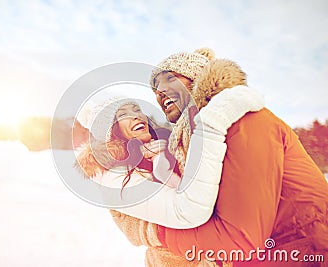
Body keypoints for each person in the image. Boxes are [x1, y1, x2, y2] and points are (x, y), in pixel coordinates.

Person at [112, 48, 328, 266]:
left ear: (197, 77)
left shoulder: (244, 121)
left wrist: (155, 233)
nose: (160, 92)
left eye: (170, 78)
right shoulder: (194, 141)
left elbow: (240, 238)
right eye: (155, 89)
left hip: (305, 251)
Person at [75, 92, 263, 228]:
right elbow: (188, 212)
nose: (137, 115)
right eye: (123, 114)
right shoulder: (113, 177)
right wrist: (164, 172)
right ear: (111, 132)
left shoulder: (164, 146)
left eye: (137, 109)